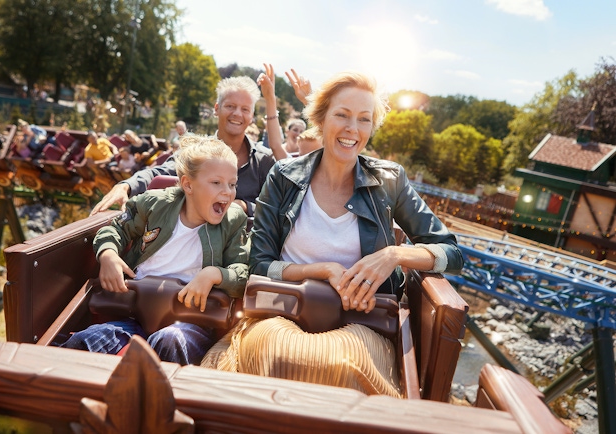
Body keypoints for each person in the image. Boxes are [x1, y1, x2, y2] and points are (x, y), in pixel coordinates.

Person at [202, 70, 463, 396]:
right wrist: (322, 271)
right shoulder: (283, 176)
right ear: (321, 119)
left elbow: (451, 252)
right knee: (279, 353)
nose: (353, 129)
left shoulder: (390, 180)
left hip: (361, 322)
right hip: (284, 310)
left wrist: (393, 255)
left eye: (364, 119)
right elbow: (259, 264)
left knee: (342, 365)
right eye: (342, 115)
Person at [61, 134, 249, 365]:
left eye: (232, 184)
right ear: (188, 184)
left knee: (168, 341)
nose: (227, 192)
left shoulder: (232, 221)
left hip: (191, 319)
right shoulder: (155, 205)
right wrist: (108, 254)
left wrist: (215, 274)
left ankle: (160, 397)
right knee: (86, 341)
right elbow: (117, 230)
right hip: (135, 312)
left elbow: (242, 271)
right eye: (216, 183)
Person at [90, 69, 276, 218]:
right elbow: (160, 172)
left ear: (252, 116)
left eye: (245, 109)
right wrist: (125, 186)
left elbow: (275, 205)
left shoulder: (263, 160)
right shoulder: (196, 151)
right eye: (230, 106)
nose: (237, 114)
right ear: (217, 109)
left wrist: (243, 206)